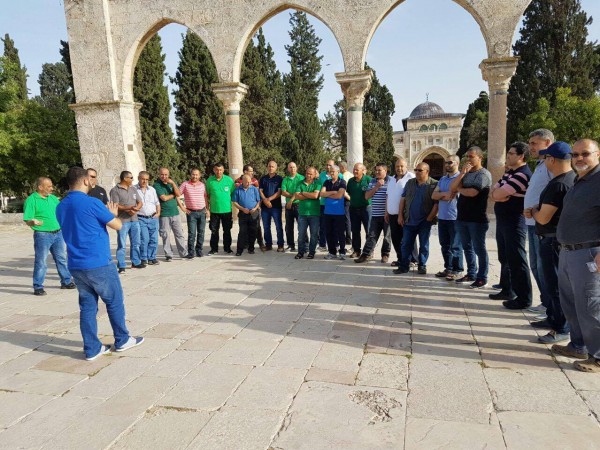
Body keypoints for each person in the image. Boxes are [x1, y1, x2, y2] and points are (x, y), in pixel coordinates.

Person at [56, 167, 144, 361]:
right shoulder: (92, 202)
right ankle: (122, 339)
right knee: (114, 301)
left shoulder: (60, 206)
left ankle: (92, 348)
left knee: (87, 307)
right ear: (85, 180)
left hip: (76, 264)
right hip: (98, 262)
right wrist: (112, 213)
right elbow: (117, 225)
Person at [554, 139, 600, 373]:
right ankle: (578, 345)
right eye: (575, 154)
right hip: (569, 251)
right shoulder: (580, 180)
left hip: (589, 253)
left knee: (590, 305)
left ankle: (598, 356)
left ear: (597, 154)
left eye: (585, 153)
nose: (579, 158)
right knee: (571, 302)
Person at [524, 141, 575, 344]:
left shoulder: (559, 184)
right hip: (555, 239)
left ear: (551, 159)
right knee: (553, 283)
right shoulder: (570, 179)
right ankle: (553, 318)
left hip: (552, 240)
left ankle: (561, 328)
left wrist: (534, 211)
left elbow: (544, 218)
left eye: (546, 158)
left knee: (555, 285)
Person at [490, 142, 533, 309]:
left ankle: (523, 298)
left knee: (517, 259)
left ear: (521, 156)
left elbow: (498, 192)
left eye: (511, 153)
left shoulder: (522, 174)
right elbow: (493, 193)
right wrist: (498, 195)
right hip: (504, 221)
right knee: (505, 257)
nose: (507, 155)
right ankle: (507, 289)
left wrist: (498, 195)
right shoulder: (510, 173)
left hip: (514, 222)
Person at [23, 177, 75, 296]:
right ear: (40, 187)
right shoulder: (31, 200)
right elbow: (27, 219)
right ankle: (38, 286)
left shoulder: (53, 198)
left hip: (58, 233)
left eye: (52, 186)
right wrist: (32, 222)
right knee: (41, 261)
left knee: (61, 258)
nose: (52, 188)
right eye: (49, 186)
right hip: (42, 235)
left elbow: (61, 212)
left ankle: (66, 282)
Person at [450, 146, 492, 288]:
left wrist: (459, 189)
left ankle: (482, 277)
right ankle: (471, 273)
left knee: (479, 249)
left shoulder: (484, 174)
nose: (468, 159)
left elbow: (472, 192)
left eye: (471, 157)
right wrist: (462, 173)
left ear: (480, 158)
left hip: (477, 219)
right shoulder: (466, 173)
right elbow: (452, 187)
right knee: (467, 248)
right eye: (467, 156)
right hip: (462, 217)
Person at [523, 129, 554, 315]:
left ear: (547, 143)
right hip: (532, 223)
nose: (530, 147)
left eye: (534, 143)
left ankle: (552, 306)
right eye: (530, 143)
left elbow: (555, 194)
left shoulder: (552, 165)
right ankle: (545, 302)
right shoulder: (541, 165)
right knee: (535, 265)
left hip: (542, 224)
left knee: (544, 267)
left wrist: (537, 210)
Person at [394, 163, 438, 274]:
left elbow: (436, 204)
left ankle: (422, 265)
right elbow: (403, 199)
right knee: (406, 244)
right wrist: (400, 215)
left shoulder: (434, 184)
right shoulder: (410, 183)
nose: (417, 172)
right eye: (416, 170)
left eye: (420, 170)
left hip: (425, 221)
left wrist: (429, 218)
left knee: (424, 245)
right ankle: (404, 266)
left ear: (427, 171)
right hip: (409, 220)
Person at [432, 155, 463, 280]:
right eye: (446, 162)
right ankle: (448, 268)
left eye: (450, 162)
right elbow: (434, 195)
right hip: (443, 217)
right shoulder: (443, 179)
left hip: (455, 217)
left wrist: (441, 194)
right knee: (444, 245)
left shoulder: (461, 178)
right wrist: (445, 194)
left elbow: (452, 195)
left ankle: (458, 270)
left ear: (457, 163)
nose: (447, 165)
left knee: (456, 246)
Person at [355, 163, 393, 264]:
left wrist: (387, 212)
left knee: (387, 237)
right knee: (371, 236)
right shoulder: (373, 181)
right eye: (376, 170)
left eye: (379, 170)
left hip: (387, 215)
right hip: (375, 214)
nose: (377, 172)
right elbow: (367, 196)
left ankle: (385, 254)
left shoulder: (391, 181)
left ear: (385, 171)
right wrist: (376, 186)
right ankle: (365, 254)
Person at [109, 171, 144, 273]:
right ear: (125, 178)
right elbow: (116, 205)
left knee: (136, 243)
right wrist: (128, 209)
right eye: (131, 177)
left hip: (134, 220)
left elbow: (140, 202)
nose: (133, 179)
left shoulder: (133, 189)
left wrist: (135, 209)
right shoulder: (115, 190)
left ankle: (136, 262)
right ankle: (121, 265)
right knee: (122, 244)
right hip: (122, 221)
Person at [386, 157, 416, 267]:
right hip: (392, 214)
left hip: (405, 214)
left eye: (402, 166)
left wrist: (401, 215)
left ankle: (412, 260)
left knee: (408, 238)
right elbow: (388, 196)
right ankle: (401, 258)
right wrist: (386, 212)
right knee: (396, 238)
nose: (399, 168)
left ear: (406, 166)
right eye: (397, 166)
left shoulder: (411, 177)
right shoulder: (391, 179)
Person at [154, 167, 188, 261]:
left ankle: (184, 253)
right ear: (159, 175)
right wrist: (173, 194)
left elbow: (178, 194)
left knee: (179, 234)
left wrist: (173, 183)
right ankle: (168, 254)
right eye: (162, 174)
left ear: (168, 175)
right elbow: (164, 198)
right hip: (164, 214)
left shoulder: (171, 183)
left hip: (175, 213)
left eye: (166, 174)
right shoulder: (157, 185)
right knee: (165, 235)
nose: (164, 176)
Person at [205, 162, 235, 255]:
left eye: (220, 170)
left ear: (223, 170)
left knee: (227, 230)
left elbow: (233, 194)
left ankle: (227, 248)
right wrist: (207, 209)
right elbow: (207, 196)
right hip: (214, 211)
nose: (219, 172)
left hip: (227, 210)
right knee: (214, 231)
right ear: (214, 170)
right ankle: (214, 249)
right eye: (217, 170)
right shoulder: (209, 181)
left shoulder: (229, 180)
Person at [235, 165, 266, 251]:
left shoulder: (255, 180)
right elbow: (240, 194)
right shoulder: (237, 181)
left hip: (254, 209)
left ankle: (260, 243)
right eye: (250, 171)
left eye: (252, 171)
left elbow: (257, 193)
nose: (252, 173)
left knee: (257, 227)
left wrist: (257, 207)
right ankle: (246, 244)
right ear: (245, 171)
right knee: (244, 229)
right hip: (243, 210)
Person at [293, 167, 322, 260]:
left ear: (314, 174)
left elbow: (315, 195)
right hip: (302, 213)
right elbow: (297, 196)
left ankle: (311, 252)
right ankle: (300, 252)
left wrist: (303, 193)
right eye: (307, 173)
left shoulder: (318, 183)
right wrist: (310, 195)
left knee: (314, 235)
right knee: (301, 235)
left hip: (315, 213)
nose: (308, 175)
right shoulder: (300, 183)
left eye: (311, 174)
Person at [180, 168, 208, 258]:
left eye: (196, 175)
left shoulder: (202, 185)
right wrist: (183, 208)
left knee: (201, 232)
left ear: (199, 176)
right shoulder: (185, 184)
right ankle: (191, 252)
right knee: (192, 233)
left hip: (202, 212)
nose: (195, 176)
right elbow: (177, 195)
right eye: (193, 174)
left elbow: (205, 197)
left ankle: (199, 250)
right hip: (191, 213)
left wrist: (207, 209)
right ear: (190, 175)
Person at [321, 165, 347, 260]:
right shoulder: (326, 182)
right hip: (328, 212)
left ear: (338, 172)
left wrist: (327, 194)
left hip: (339, 212)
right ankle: (332, 252)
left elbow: (339, 196)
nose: (331, 173)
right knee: (329, 233)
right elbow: (321, 194)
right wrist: (333, 192)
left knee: (340, 233)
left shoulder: (342, 182)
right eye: (330, 171)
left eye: (333, 171)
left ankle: (342, 252)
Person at [134, 171, 160, 266]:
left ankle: (152, 257)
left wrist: (158, 213)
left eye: (146, 179)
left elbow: (157, 202)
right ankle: (143, 258)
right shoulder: (133, 189)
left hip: (153, 218)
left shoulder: (152, 190)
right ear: (138, 178)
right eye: (143, 179)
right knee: (144, 239)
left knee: (154, 239)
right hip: (141, 218)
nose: (144, 181)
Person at [346, 163, 371, 258]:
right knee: (355, 231)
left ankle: (369, 251)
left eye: (357, 169)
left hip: (366, 209)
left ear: (362, 170)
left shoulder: (368, 179)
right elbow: (349, 192)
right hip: (353, 209)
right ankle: (356, 250)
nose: (355, 171)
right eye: (354, 169)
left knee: (368, 231)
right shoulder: (351, 181)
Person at [232, 174, 261, 256]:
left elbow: (258, 201)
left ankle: (251, 248)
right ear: (242, 181)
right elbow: (234, 202)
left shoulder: (254, 189)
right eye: (246, 182)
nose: (248, 183)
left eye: (249, 182)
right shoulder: (237, 190)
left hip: (253, 213)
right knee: (242, 232)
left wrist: (255, 208)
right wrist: (242, 209)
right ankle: (239, 250)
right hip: (243, 213)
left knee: (253, 231)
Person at [259, 160, 284, 252]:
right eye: (269, 166)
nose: (270, 168)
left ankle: (280, 245)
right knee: (266, 226)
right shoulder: (263, 178)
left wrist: (268, 199)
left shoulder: (279, 179)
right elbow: (260, 191)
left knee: (278, 226)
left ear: (276, 168)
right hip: (265, 207)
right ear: (267, 167)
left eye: (272, 166)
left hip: (276, 207)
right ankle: (268, 245)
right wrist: (265, 200)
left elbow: (279, 192)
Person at [281, 161, 305, 252]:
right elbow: (283, 192)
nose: (292, 169)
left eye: (294, 167)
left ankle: (304, 245)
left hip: (299, 205)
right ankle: (291, 245)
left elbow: (300, 191)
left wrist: (291, 199)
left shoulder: (301, 178)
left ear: (296, 168)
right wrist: (294, 196)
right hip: (289, 206)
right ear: (288, 169)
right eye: (290, 167)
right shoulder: (285, 179)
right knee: (288, 227)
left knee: (302, 226)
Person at [318, 159, 336, 250]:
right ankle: (322, 244)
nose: (328, 167)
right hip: (323, 203)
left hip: (334, 204)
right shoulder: (321, 175)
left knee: (334, 225)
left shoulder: (339, 175)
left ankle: (335, 244)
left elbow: (338, 191)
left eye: (330, 165)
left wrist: (326, 193)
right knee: (322, 225)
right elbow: (320, 191)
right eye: (327, 165)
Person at [338, 161, 353, 245]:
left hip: (345, 199)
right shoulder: (351, 175)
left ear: (343, 168)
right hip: (348, 198)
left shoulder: (344, 176)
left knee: (346, 219)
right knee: (347, 218)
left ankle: (348, 238)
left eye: (339, 167)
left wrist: (348, 197)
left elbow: (343, 189)